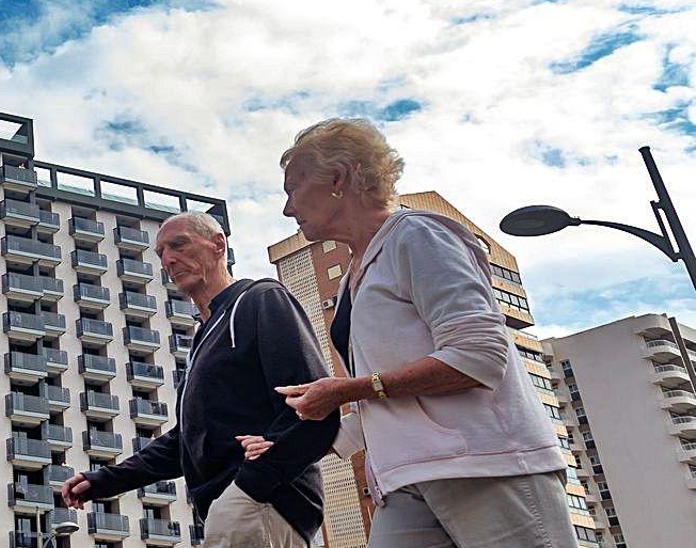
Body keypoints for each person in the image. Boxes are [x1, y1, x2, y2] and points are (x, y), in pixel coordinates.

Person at [243, 118, 575, 547]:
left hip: (486, 466)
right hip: (405, 480)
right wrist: (287, 447)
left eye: (293, 188)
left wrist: (347, 390)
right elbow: (383, 402)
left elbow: (478, 356)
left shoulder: (418, 235)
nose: (288, 208)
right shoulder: (352, 280)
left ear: (337, 179)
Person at [62, 211, 339, 547]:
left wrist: (251, 486)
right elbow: (186, 440)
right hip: (230, 506)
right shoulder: (203, 338)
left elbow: (312, 404)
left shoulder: (258, 300)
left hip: (263, 504)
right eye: (161, 252)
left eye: (179, 245)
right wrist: (102, 481)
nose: (169, 259)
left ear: (218, 245)